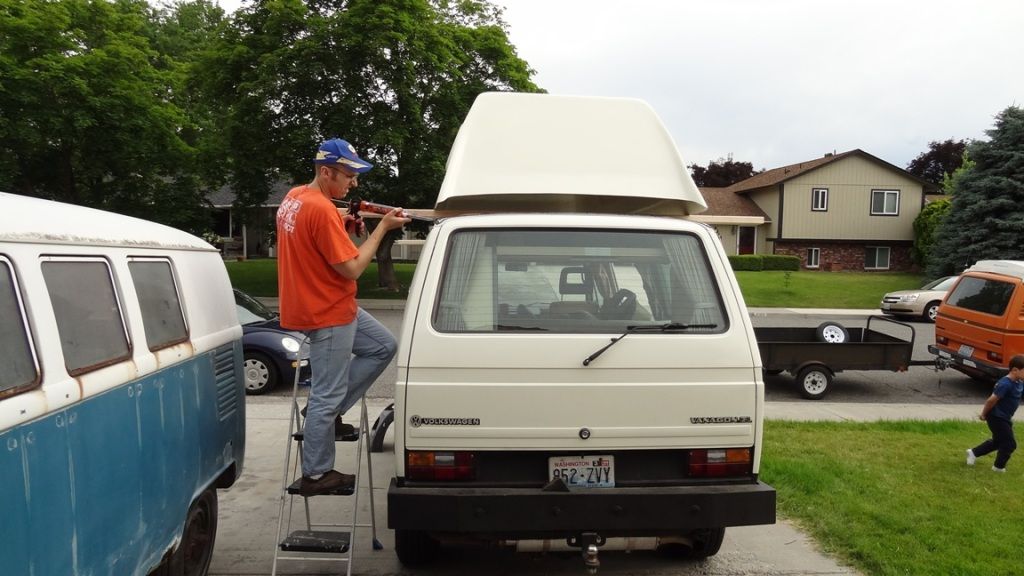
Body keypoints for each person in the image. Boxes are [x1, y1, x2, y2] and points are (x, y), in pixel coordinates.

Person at [276, 137, 410, 496]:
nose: (353, 183)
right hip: (328, 312)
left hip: (319, 304)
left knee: (383, 345)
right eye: (348, 175)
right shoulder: (319, 209)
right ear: (325, 171)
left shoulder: (296, 197)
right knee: (325, 394)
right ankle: (317, 474)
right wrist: (382, 227)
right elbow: (351, 268)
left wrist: (345, 221)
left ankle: (329, 412)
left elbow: (318, 223)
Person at [965, 354, 1024, 472]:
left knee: (998, 441)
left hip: (1005, 417)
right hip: (996, 417)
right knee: (1009, 444)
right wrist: (983, 414)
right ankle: (998, 467)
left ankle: (973, 453)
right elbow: (991, 400)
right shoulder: (1005, 384)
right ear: (1015, 370)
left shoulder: (1019, 381)